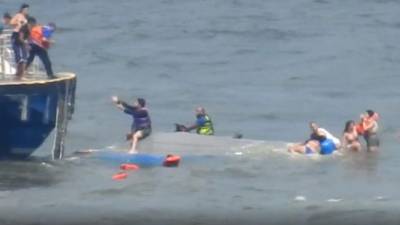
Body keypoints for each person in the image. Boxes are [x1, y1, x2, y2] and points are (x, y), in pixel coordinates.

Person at [10, 3, 29, 78]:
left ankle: (22, 73)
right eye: (25, 9)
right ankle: (18, 73)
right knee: (18, 55)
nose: (26, 11)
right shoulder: (18, 15)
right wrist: (18, 23)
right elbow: (11, 22)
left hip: (23, 35)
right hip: (16, 34)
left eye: (27, 9)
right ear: (22, 9)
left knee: (24, 55)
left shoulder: (26, 17)